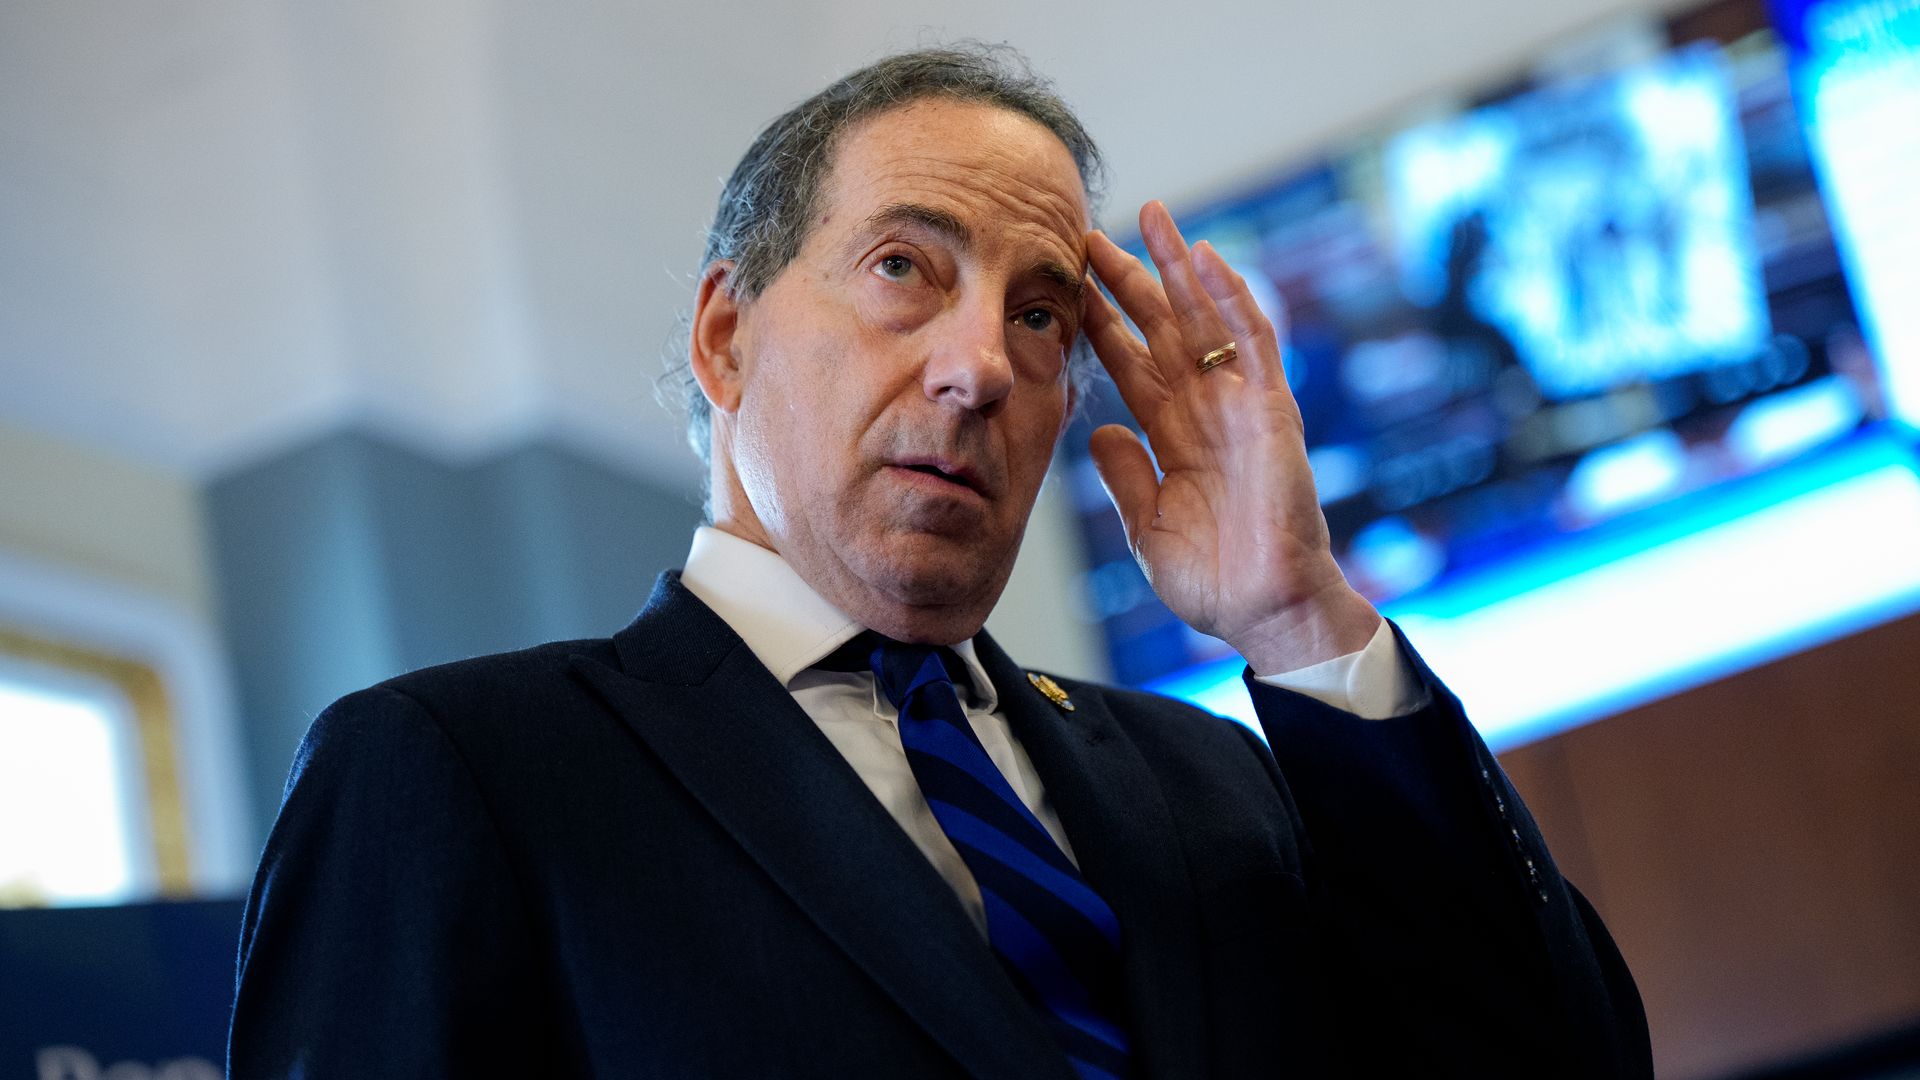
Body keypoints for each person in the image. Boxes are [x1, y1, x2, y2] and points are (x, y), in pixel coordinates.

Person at [228, 46, 1652, 1079]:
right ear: (726, 338)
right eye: (907, 268)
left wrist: (1300, 619)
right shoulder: (460, 773)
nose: (980, 367)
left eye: (1041, 316)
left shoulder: (1221, 779)